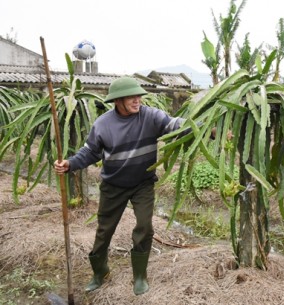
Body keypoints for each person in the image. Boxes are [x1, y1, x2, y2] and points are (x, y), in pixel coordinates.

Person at [54, 76, 186, 295]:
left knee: (144, 226)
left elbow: (175, 124)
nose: (137, 100)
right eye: (131, 97)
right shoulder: (103, 125)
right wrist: (69, 164)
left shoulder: (151, 117)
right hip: (113, 185)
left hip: (142, 183)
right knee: (104, 232)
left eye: (138, 96)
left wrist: (208, 129)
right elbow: (89, 152)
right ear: (117, 100)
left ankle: (140, 276)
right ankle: (100, 273)